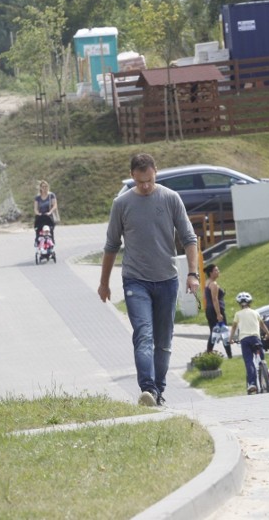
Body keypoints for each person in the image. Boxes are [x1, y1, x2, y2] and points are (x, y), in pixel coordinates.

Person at [98, 153, 200, 407]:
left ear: (156, 172)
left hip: (166, 280)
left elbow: (189, 238)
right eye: (140, 181)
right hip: (135, 280)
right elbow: (111, 246)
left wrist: (193, 273)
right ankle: (147, 389)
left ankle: (158, 392)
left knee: (163, 342)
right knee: (143, 335)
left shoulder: (170, 198)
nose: (145, 186)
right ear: (132, 176)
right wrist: (104, 282)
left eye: (149, 180)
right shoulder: (121, 204)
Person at [230, 291, 269, 394]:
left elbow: (234, 327)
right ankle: (268, 380)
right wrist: (268, 334)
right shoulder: (256, 313)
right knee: (262, 359)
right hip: (256, 339)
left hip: (245, 340)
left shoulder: (237, 314)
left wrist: (230, 339)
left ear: (239, 304)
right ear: (250, 303)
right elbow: (262, 325)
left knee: (249, 361)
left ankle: (252, 383)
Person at [204, 263, 233, 358]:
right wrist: (219, 314)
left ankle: (208, 353)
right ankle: (229, 356)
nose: (218, 272)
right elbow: (215, 299)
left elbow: (206, 297)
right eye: (216, 270)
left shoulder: (207, 282)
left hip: (209, 310)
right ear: (211, 273)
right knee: (224, 333)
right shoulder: (213, 284)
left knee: (213, 332)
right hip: (216, 310)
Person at [33, 180, 58, 246]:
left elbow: (55, 205)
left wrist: (50, 212)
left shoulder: (51, 195)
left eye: (46, 186)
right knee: (38, 228)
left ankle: (51, 241)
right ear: (40, 188)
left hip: (48, 216)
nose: (44, 188)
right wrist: (38, 213)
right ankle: (37, 240)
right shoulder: (38, 197)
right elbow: (35, 208)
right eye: (43, 187)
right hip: (41, 216)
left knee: (50, 229)